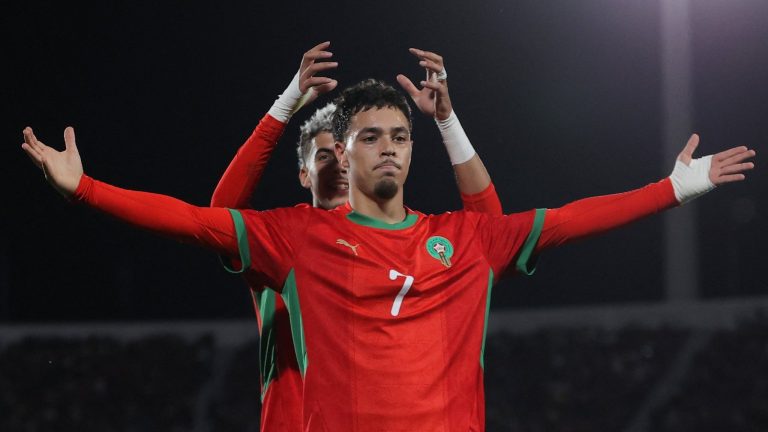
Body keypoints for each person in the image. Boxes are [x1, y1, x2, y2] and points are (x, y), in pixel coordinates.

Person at [21, 71, 754, 431]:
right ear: (338, 154)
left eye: (399, 136)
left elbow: (566, 221)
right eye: (370, 136)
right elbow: (194, 219)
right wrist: (86, 190)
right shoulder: (293, 239)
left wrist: (673, 188)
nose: (388, 148)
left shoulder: (466, 239)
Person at [209, 42, 502, 431]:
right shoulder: (280, 242)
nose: (339, 166)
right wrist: (284, 107)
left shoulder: (401, 243)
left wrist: (447, 121)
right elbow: (219, 216)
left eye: (349, 151)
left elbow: (490, 235)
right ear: (304, 175)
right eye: (324, 156)